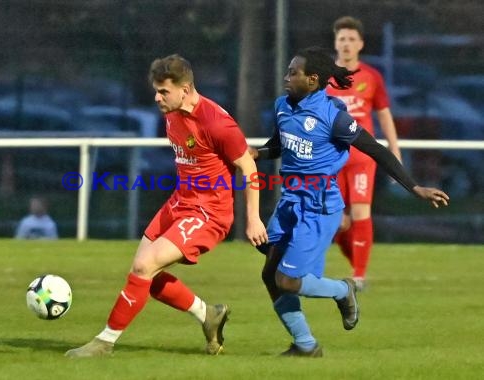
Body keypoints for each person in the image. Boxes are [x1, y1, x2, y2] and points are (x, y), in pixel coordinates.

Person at [249, 46, 449, 357]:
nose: (286, 77)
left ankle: (344, 290)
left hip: (319, 206)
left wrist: (414, 187)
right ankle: (305, 345)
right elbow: (279, 145)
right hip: (290, 200)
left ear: (313, 80)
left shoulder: (334, 117)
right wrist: (257, 154)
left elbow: (376, 150)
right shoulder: (282, 106)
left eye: (293, 72)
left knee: (288, 280)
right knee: (270, 274)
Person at [65, 54, 268, 358]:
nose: (157, 98)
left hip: (208, 213)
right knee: (145, 274)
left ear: (185, 89)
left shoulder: (216, 122)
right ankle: (208, 314)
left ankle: (104, 342)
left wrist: (254, 218)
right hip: (179, 203)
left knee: (144, 267)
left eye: (163, 91)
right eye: (156, 90)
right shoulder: (173, 111)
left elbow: (249, 169)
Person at [326, 16, 402, 289]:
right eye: (342, 39)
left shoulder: (371, 77)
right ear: (335, 43)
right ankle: (355, 263)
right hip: (331, 159)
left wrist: (394, 150)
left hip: (361, 158)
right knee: (338, 222)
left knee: (360, 211)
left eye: (351, 39)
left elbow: (384, 115)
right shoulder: (324, 77)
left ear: (360, 44)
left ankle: (359, 275)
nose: (346, 44)